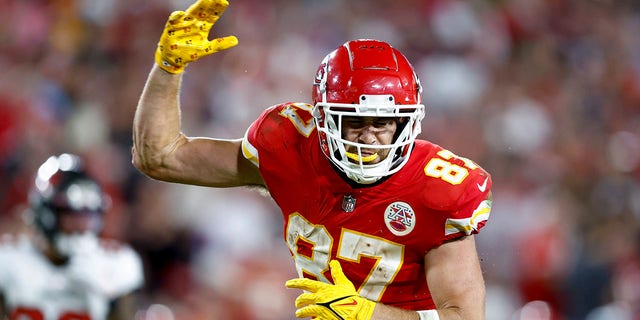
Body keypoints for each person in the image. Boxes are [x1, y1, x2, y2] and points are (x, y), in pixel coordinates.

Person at [132, 0, 493, 319]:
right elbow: (160, 156)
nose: (369, 136)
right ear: (322, 117)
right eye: (353, 121)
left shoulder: (440, 190)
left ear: (407, 121)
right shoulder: (289, 145)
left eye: (383, 122)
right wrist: (168, 68)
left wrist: (368, 315)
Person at [0, 153, 144, 320]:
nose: (82, 227)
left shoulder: (114, 264)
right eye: (71, 216)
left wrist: (105, 297)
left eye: (88, 216)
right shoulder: (9, 259)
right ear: (45, 214)